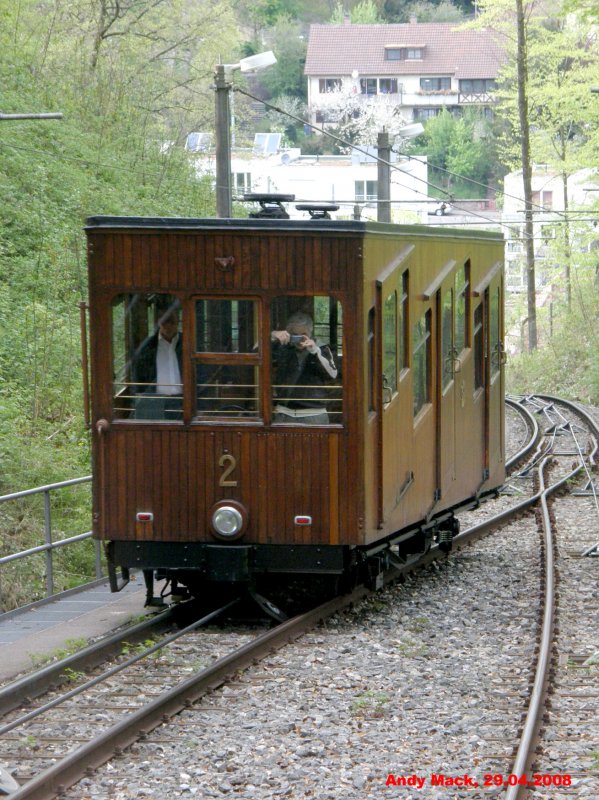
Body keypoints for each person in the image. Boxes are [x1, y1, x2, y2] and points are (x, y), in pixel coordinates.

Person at [271, 311, 337, 424]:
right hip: (284, 412)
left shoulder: (322, 348)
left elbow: (332, 374)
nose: (299, 339)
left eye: (303, 334)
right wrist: (272, 335)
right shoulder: (281, 347)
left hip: (314, 413)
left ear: (310, 332)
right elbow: (254, 354)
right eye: (295, 334)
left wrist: (314, 351)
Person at [132, 304, 183, 420]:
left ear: (178, 322)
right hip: (155, 403)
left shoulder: (188, 345)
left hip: (183, 403)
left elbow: (200, 376)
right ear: (158, 322)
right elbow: (139, 379)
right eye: (164, 322)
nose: (168, 326)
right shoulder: (148, 347)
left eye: (172, 322)